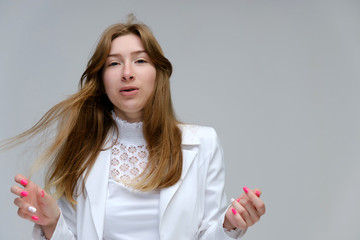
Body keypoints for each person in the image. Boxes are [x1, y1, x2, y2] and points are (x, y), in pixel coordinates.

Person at [7, 16, 265, 240]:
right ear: (102, 80)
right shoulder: (83, 149)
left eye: (140, 61)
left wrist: (229, 225)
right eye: (114, 63)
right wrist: (52, 223)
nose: (127, 73)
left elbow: (208, 234)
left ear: (158, 74)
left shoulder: (203, 143)